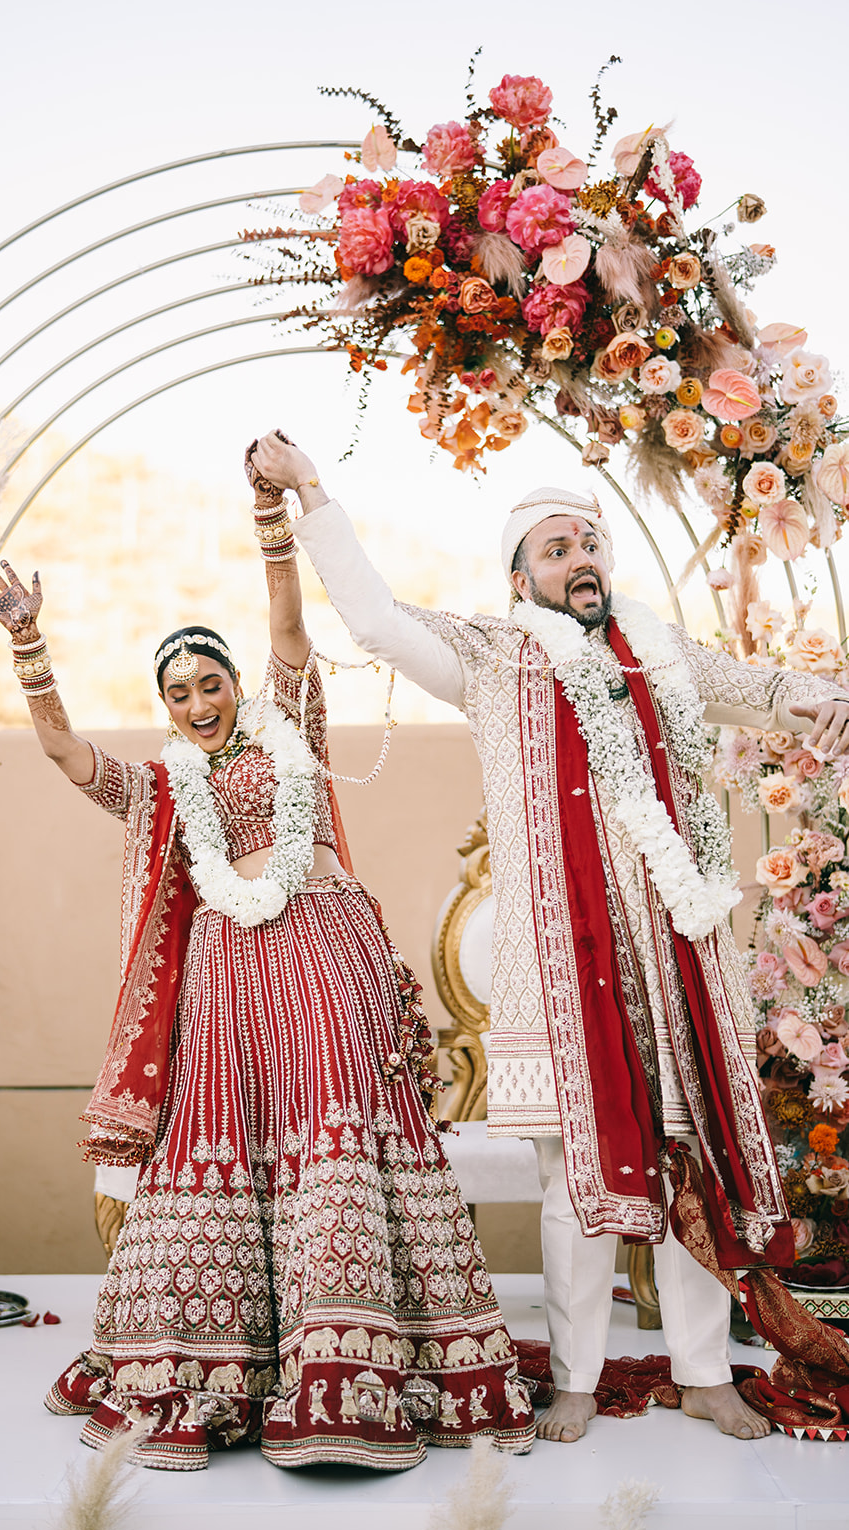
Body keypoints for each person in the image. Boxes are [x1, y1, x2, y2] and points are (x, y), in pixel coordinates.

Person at [246, 429, 849, 1445]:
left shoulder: (658, 655)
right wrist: (311, 489)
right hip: (555, 976)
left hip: (671, 963)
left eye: (590, 543)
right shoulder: (488, 657)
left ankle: (704, 1372)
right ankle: (574, 1375)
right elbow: (374, 618)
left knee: (684, 1160)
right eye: (558, 547)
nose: (582, 559)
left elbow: (759, 688)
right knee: (574, 1181)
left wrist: (827, 704)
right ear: (521, 573)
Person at [0, 459, 536, 1471]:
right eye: (176, 691)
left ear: (235, 684)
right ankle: (215, 1361)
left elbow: (287, 633)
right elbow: (59, 753)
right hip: (226, 970)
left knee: (333, 1124)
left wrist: (270, 520)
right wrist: (28, 644)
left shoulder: (290, 731)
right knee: (228, 1128)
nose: (196, 701)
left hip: (324, 947)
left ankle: (350, 1361)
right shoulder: (159, 787)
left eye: (208, 682)